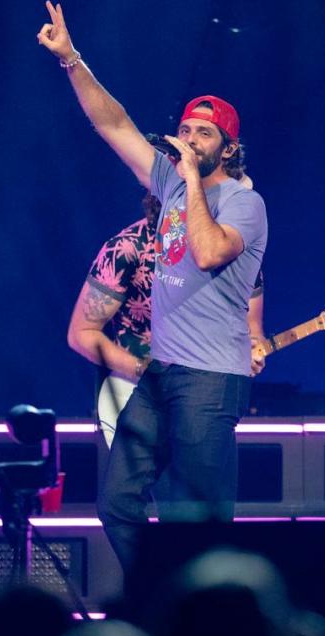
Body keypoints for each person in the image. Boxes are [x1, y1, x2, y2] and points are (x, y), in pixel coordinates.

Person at [39, 1, 268, 571]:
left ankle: (207, 626)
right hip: (162, 372)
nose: (189, 138)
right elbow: (112, 122)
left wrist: (189, 178)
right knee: (117, 501)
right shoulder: (167, 182)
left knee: (198, 515)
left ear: (228, 148)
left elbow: (212, 251)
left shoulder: (245, 202)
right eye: (186, 128)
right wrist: (72, 60)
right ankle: (159, 594)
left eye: (204, 133)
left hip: (211, 382)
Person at [67, 189, 266, 448]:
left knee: (200, 487)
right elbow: (82, 333)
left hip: (203, 398)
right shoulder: (127, 248)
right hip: (135, 393)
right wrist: (143, 369)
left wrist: (251, 350)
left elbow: (252, 330)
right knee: (141, 487)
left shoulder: (236, 253)